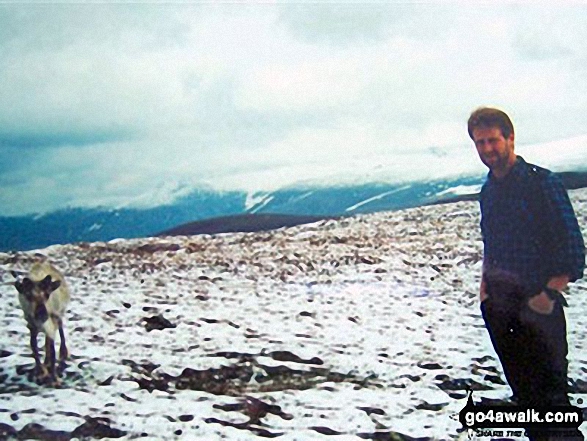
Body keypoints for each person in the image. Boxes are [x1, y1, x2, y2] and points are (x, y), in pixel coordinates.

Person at [468, 107, 585, 440]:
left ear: (510, 138)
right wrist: (485, 292)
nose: (488, 149)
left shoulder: (541, 182)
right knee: (525, 397)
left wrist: (548, 295)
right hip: (501, 309)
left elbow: (573, 246)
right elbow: (492, 242)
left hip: (538, 308)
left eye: (493, 140)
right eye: (480, 143)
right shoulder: (488, 191)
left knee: (552, 401)